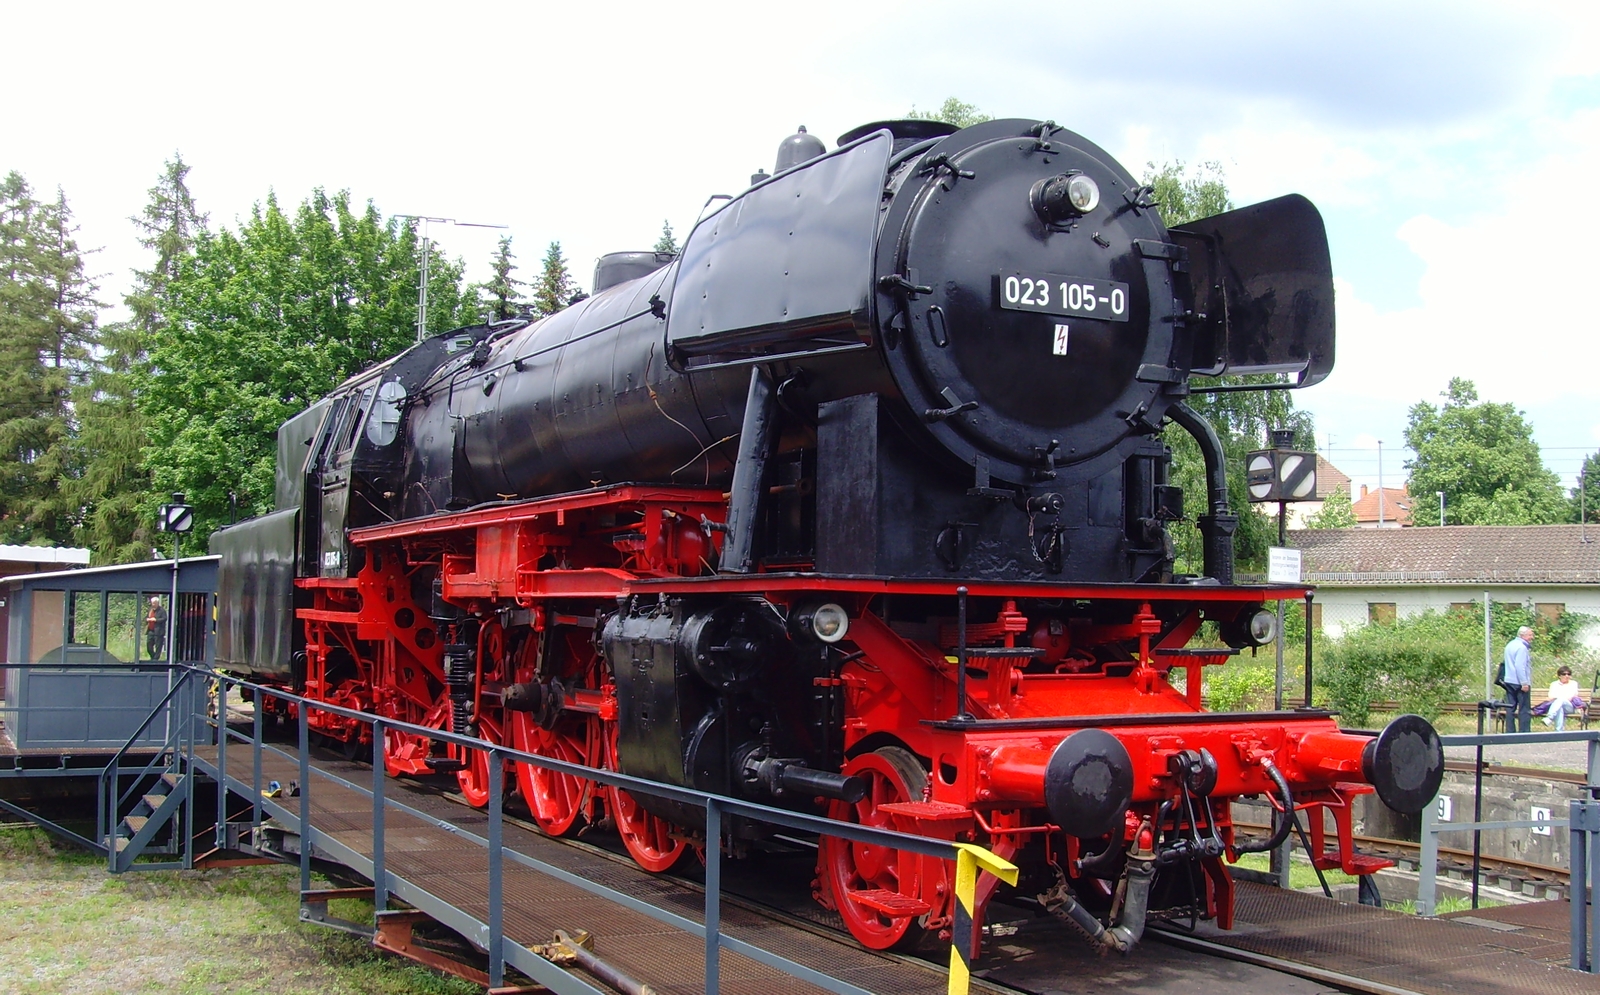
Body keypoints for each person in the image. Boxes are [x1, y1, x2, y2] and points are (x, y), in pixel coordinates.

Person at [1502, 625, 1534, 732]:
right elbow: (1520, 666)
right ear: (1522, 635)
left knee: (1510, 708)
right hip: (1519, 682)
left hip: (1509, 680)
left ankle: (1510, 731)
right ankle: (1524, 732)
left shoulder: (1510, 645)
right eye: (1530, 635)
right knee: (1524, 709)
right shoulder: (1522, 648)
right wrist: (1524, 683)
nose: (1532, 637)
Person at [1543, 665, 1585, 731]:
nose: (1567, 676)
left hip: (1570, 707)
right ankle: (1559, 732)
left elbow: (1571, 696)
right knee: (1560, 708)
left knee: (1560, 700)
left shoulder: (1573, 684)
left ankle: (1549, 718)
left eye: (1569, 674)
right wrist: (1560, 697)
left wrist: (1558, 697)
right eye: (1564, 674)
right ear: (1559, 676)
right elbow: (1551, 696)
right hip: (1557, 707)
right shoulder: (1554, 684)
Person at [145, 596, 167, 661]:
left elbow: (164, 618)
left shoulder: (162, 610)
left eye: (154, 603)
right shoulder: (150, 610)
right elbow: (146, 617)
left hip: (159, 631)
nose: (153, 604)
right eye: (152, 603)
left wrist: (155, 620)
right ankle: (153, 656)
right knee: (149, 645)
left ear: (157, 603)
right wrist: (147, 619)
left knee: (158, 646)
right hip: (151, 630)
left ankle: (155, 659)